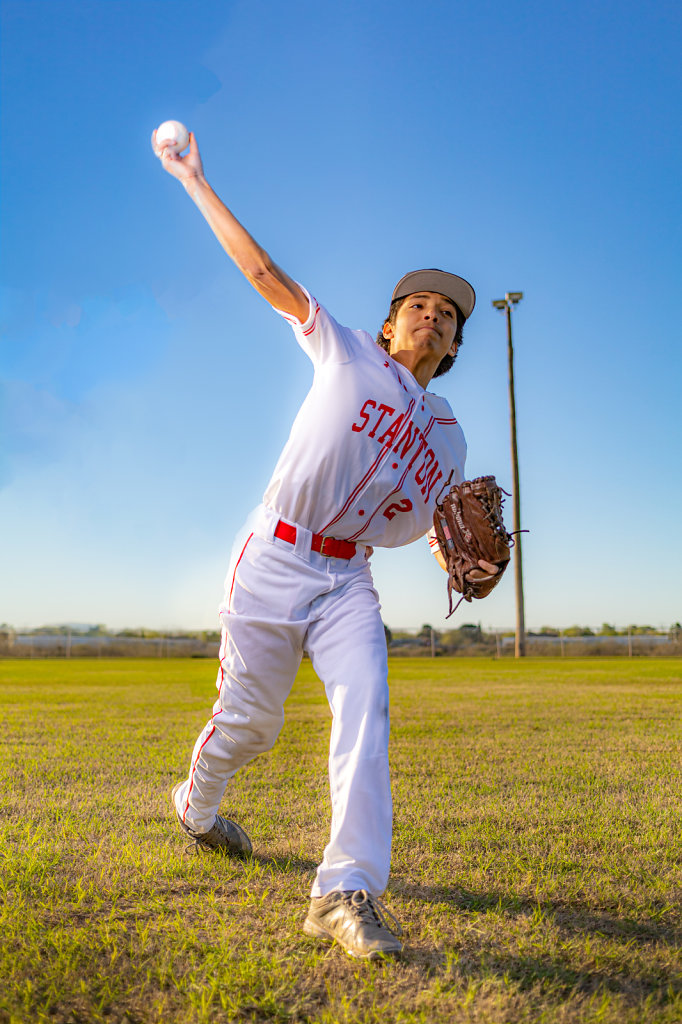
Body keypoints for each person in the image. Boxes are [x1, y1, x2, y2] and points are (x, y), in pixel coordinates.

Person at [152, 129, 478, 960]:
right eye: (420, 306)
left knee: (365, 708)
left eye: (447, 317)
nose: (433, 317)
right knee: (252, 725)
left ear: (451, 345)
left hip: (346, 582)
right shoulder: (345, 351)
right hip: (273, 557)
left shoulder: (447, 434)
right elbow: (264, 274)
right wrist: (195, 180)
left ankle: (343, 891)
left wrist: (450, 551)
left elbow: (423, 524)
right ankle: (197, 803)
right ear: (390, 322)